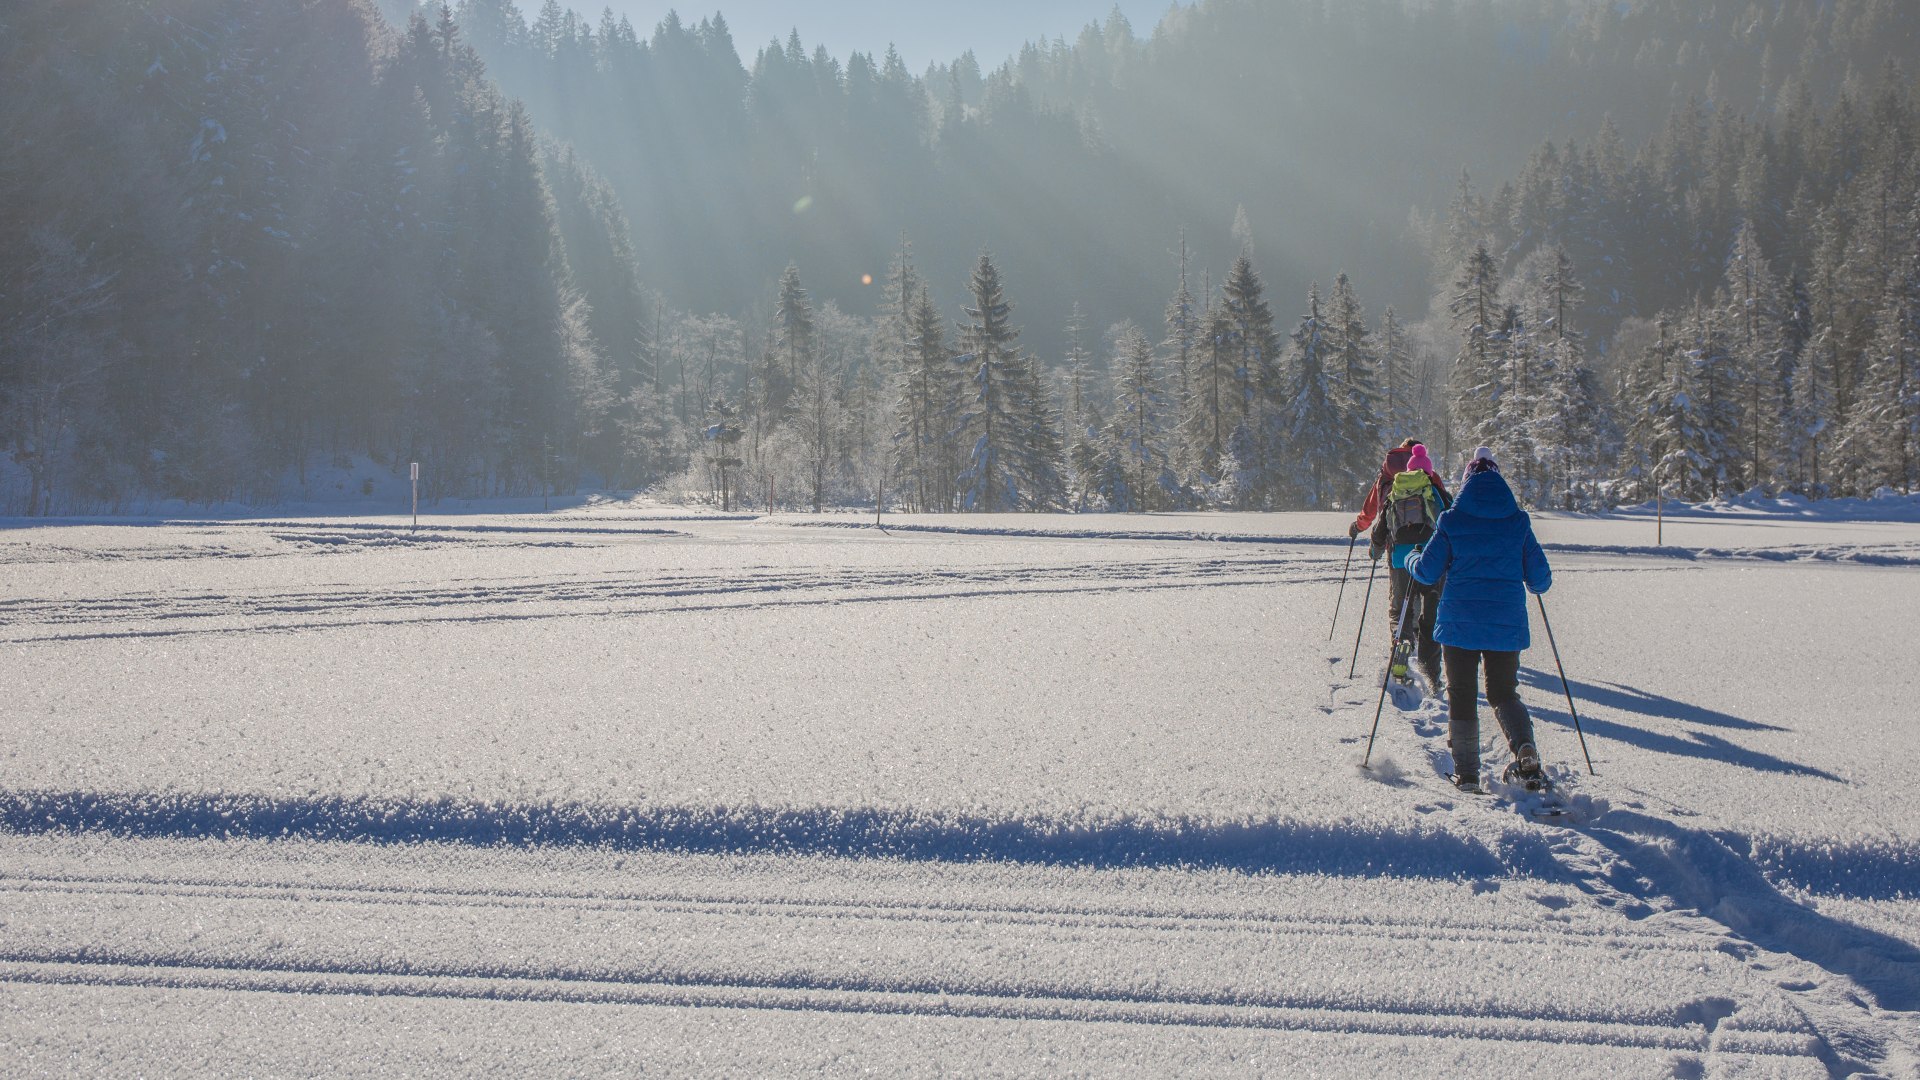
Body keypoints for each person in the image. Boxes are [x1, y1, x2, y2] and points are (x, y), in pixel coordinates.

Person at [1408, 447, 1551, 792]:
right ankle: (1524, 750)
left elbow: (1427, 573)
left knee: (1461, 693)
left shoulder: (1453, 521)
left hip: (1459, 624)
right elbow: (1541, 581)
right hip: (1505, 624)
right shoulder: (1518, 523)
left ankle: (1468, 774)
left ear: (1467, 482)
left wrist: (1413, 559)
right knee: (1503, 692)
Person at [1367, 443, 1451, 692]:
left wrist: (1375, 551)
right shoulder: (1435, 492)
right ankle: (1431, 673)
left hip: (1400, 561)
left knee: (1399, 610)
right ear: (1428, 471)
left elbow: (1380, 529)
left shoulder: (1396, 492)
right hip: (1431, 561)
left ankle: (1402, 642)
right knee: (1430, 616)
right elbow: (1450, 524)